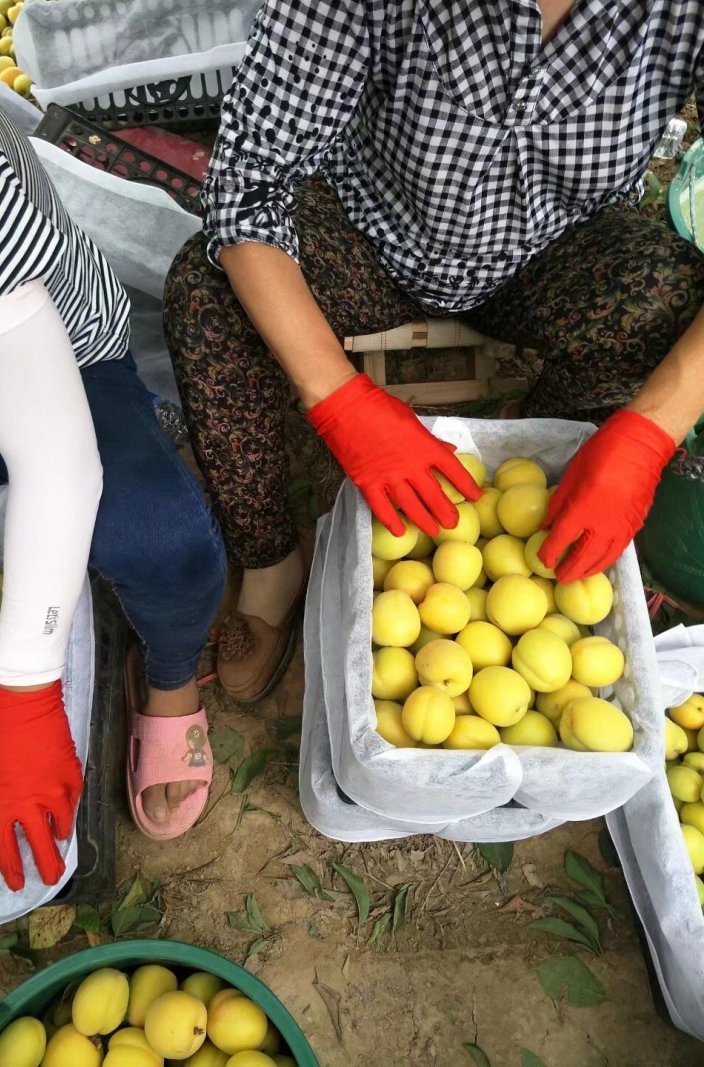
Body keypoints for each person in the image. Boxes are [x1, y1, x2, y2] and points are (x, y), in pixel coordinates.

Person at [165, 0, 704, 702]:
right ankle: (270, 560)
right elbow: (249, 182)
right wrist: (337, 398)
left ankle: (550, 474)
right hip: (370, 236)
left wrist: (648, 433)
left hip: (547, 252)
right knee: (208, 290)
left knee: (661, 289)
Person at [0, 50, 226, 891]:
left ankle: (169, 675)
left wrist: (19, 688)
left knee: (162, 538)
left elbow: (56, 455)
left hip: (61, 368)